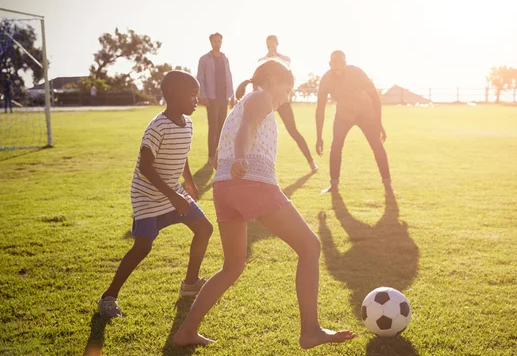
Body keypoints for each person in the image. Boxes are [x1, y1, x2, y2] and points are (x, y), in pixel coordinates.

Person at [173, 60, 356, 349]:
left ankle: (186, 332)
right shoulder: (261, 97)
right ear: (271, 80)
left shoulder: (250, 98)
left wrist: (237, 161)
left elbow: (245, 128)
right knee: (310, 247)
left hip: (225, 186)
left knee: (232, 267)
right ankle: (310, 330)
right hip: (251, 182)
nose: (287, 96)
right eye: (287, 88)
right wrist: (242, 157)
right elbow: (246, 128)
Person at [98, 70, 214, 318]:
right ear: (173, 94)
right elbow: (145, 167)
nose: (196, 100)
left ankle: (190, 284)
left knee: (204, 229)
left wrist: (189, 183)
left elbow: (180, 155)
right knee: (142, 247)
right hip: (147, 195)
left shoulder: (189, 124)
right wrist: (173, 197)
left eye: (198, 95)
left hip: (173, 190)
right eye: (192, 95)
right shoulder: (157, 127)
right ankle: (109, 297)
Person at [316, 51, 393, 194]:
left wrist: (378, 122)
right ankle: (334, 185)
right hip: (344, 114)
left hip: (365, 112)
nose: (338, 66)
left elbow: (375, 96)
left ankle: (388, 184)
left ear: (345, 64)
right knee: (336, 146)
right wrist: (319, 136)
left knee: (377, 145)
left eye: (341, 63)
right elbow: (320, 108)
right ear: (330, 64)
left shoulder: (357, 72)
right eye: (335, 63)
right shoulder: (326, 79)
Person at [237, 34, 317, 172]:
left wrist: (275, 56)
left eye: (273, 44)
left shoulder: (285, 59)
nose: (270, 47)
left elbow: (284, 74)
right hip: (265, 99)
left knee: (293, 131)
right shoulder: (261, 60)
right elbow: (259, 80)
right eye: (268, 45)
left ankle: (311, 161)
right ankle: (250, 162)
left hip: (281, 101)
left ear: (277, 44)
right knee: (256, 128)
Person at [197, 32, 235, 167]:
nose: (217, 43)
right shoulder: (204, 59)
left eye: (219, 41)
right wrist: (203, 96)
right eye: (215, 41)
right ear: (211, 42)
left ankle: (220, 155)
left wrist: (232, 96)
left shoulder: (225, 59)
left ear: (221, 42)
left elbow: (229, 77)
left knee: (222, 128)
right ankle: (211, 156)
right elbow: (200, 78)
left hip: (224, 98)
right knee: (213, 128)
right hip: (211, 99)